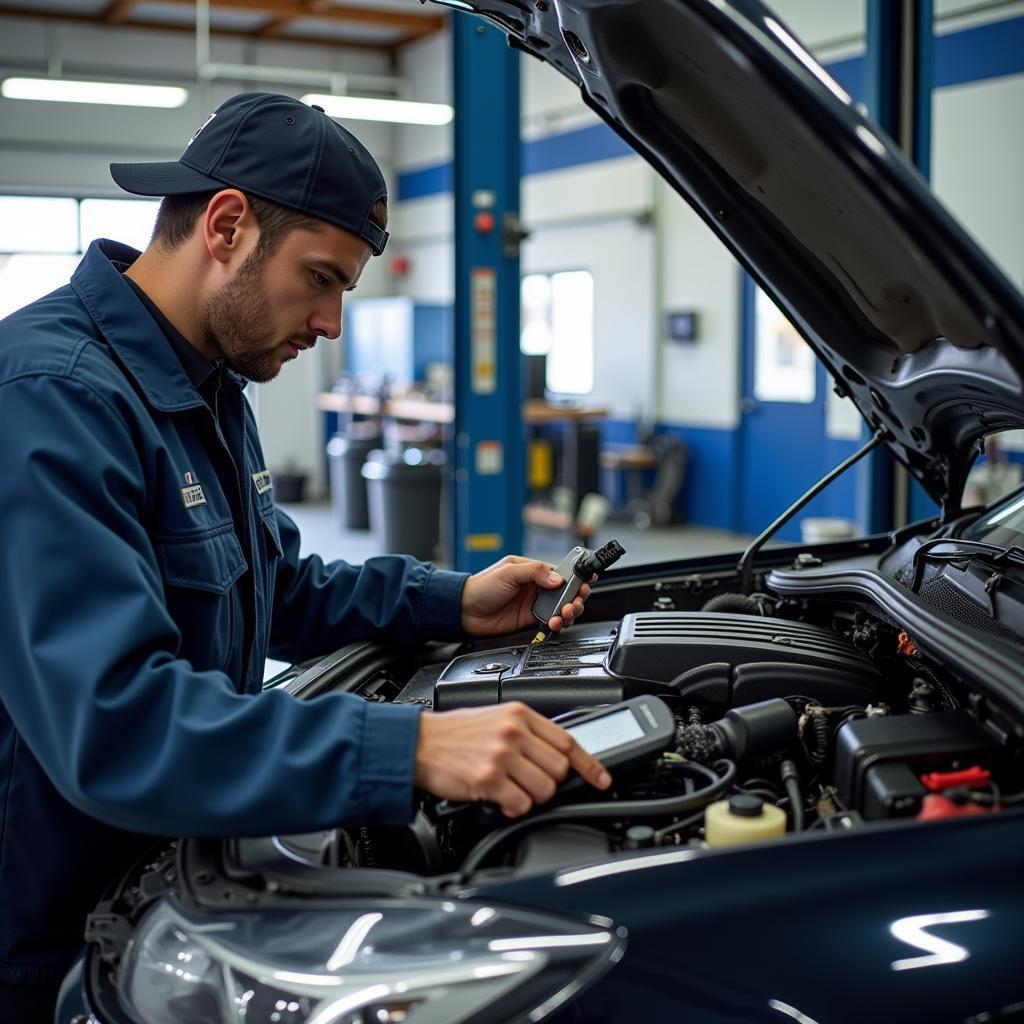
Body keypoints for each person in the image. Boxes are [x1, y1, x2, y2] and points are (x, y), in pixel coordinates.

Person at [0, 92, 610, 1019]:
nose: (330, 324)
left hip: (158, 878)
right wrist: (406, 747)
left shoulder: (206, 382)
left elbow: (275, 587)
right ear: (228, 224)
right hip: (42, 935)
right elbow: (113, 719)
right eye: (320, 278)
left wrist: (451, 603)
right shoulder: (52, 396)